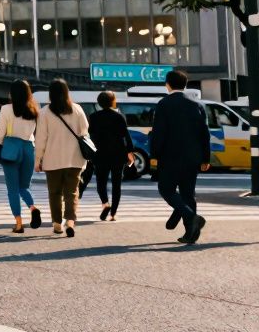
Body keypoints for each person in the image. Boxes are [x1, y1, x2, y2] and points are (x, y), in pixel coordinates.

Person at [149, 69, 209, 243]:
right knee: (188, 194)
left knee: (166, 189)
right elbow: (204, 134)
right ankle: (190, 234)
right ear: (185, 84)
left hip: (171, 156)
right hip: (193, 157)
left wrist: (155, 155)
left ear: (167, 84)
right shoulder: (197, 105)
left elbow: (159, 132)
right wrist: (205, 158)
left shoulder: (164, 104)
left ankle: (191, 217)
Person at [35, 78, 90, 238]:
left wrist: (38, 160)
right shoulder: (77, 109)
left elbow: (41, 139)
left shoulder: (45, 112)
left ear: (50, 94)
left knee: (55, 193)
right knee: (72, 192)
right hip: (75, 159)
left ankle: (57, 224)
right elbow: (84, 131)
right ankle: (70, 222)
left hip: (52, 160)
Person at [0, 80, 43, 234]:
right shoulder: (34, 110)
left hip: (11, 149)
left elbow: (0, 132)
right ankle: (33, 207)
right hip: (29, 148)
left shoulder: (6, 109)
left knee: (12, 189)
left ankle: (18, 223)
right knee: (24, 187)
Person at [85, 90, 135, 222]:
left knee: (101, 182)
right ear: (113, 101)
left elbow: (89, 135)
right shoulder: (119, 117)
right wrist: (130, 152)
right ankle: (113, 214)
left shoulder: (94, 117)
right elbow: (126, 136)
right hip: (118, 154)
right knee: (116, 184)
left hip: (100, 154)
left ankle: (105, 204)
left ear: (99, 102)